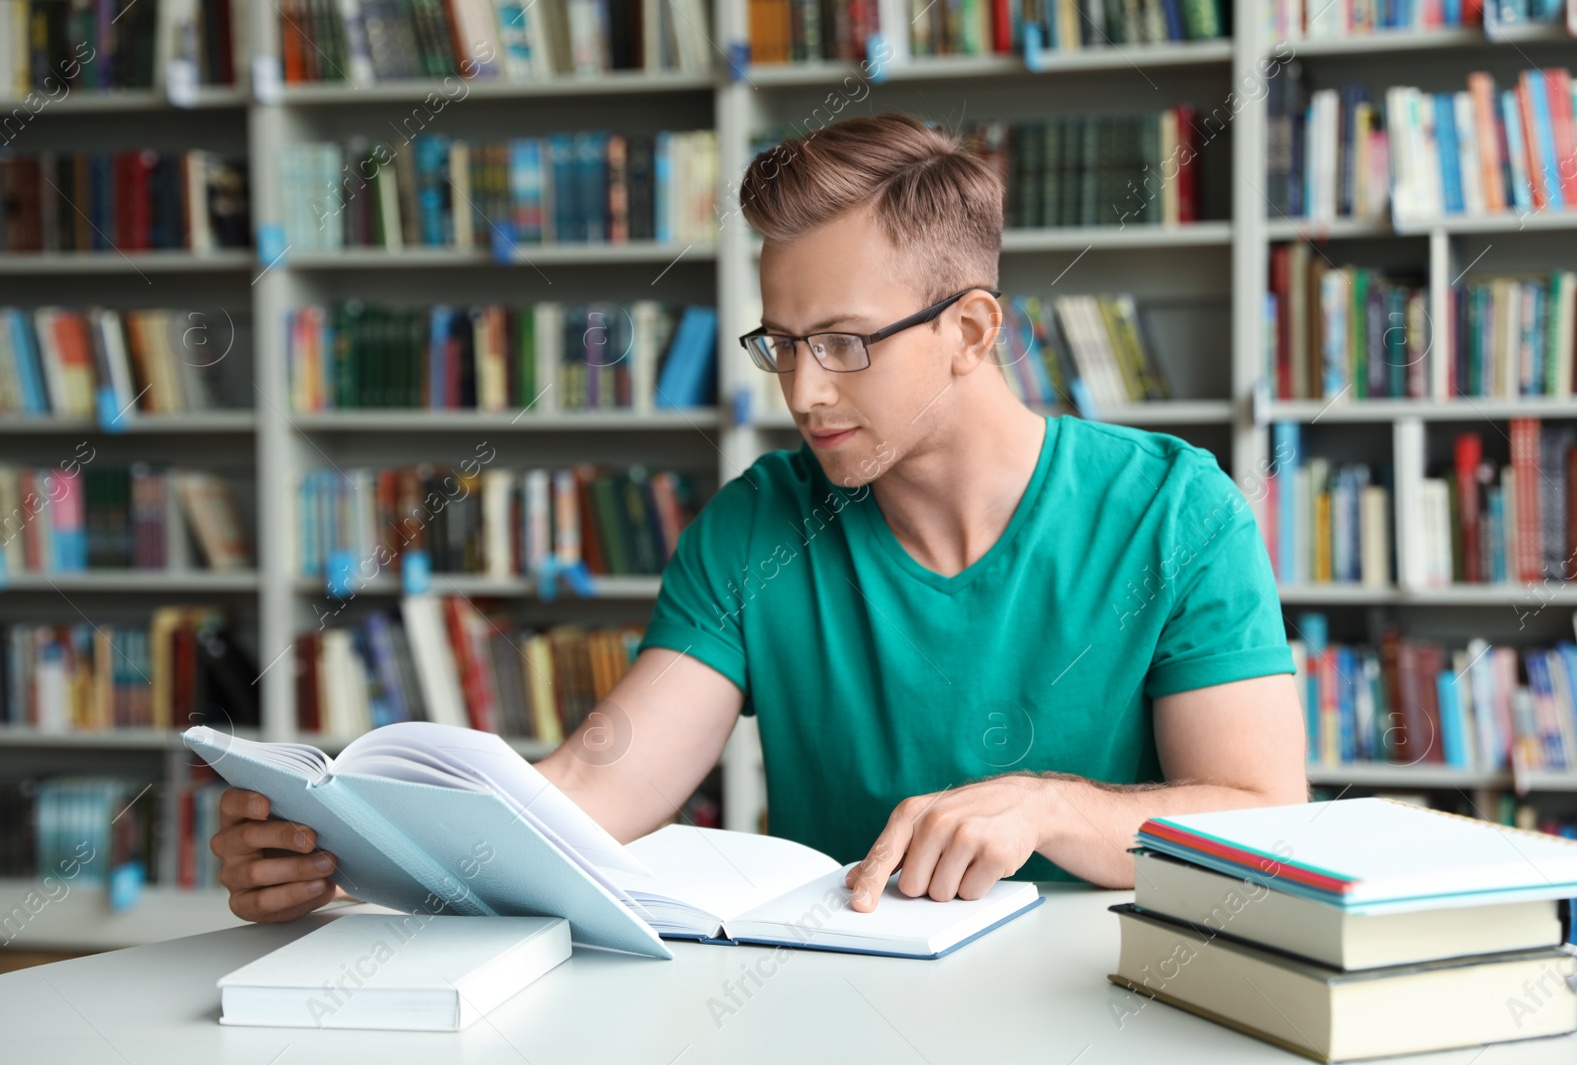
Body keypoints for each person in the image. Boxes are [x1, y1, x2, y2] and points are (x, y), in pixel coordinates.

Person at [211, 113, 1306, 925]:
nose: (802, 392)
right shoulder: (756, 524)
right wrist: (348, 846)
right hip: (841, 998)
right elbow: (596, 785)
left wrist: (1048, 806)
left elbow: (1260, 817)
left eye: (841, 342)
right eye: (780, 343)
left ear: (970, 329)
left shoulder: (1174, 509)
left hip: (1106, 997)